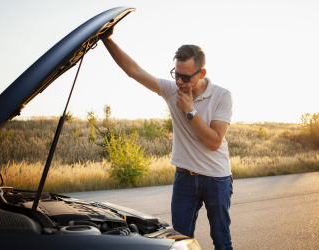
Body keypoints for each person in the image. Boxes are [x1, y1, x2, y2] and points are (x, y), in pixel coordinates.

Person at [100, 27, 233, 250]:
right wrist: (106, 39)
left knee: (221, 241)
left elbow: (214, 142)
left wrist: (190, 111)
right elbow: (134, 70)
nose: (179, 82)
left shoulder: (222, 95)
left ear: (201, 73)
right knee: (177, 243)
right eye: (176, 74)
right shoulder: (172, 90)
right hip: (184, 178)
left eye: (185, 77)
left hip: (216, 179)